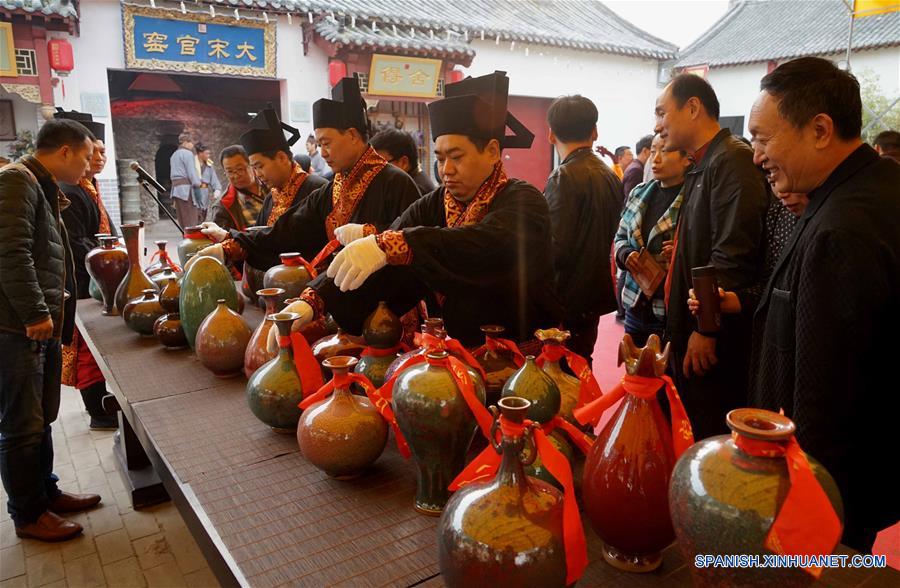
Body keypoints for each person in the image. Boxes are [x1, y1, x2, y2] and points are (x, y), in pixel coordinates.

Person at [283, 71, 560, 348]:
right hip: (454, 356)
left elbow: (481, 246)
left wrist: (392, 244)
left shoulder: (525, 200)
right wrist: (313, 300)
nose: (446, 170)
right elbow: (388, 247)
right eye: (440, 158)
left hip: (525, 360)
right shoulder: (436, 202)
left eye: (457, 157)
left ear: (491, 151)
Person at [746, 57, 900, 552]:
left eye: (764, 139)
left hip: (825, 489)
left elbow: (825, 393)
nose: (756, 157)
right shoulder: (875, 188)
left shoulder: (842, 227)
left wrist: (801, 503)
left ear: (819, 129)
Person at [195, 78, 419, 275]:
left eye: (326, 143)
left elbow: (414, 239)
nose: (322, 152)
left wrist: (370, 233)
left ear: (351, 135)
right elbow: (286, 230)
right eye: (319, 144)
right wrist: (230, 244)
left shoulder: (396, 181)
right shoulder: (333, 188)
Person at [0, 118, 102, 542]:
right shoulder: (16, 182)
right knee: (22, 422)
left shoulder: (40, 185)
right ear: (64, 151)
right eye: (84, 156)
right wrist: (35, 313)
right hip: (14, 327)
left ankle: (47, 492)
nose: (87, 166)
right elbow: (10, 253)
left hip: (33, 323)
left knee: (40, 417)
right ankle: (28, 515)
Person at [654, 73, 769, 440]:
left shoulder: (731, 159)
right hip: (689, 322)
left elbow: (733, 252)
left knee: (707, 433)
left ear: (692, 108)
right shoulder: (704, 162)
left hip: (712, 332)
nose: (657, 125)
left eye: (661, 112)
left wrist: (707, 328)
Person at [544, 95, 622, 362]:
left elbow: (554, 247)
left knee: (561, 373)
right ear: (594, 132)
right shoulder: (610, 175)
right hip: (593, 294)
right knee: (581, 365)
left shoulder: (562, 177)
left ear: (551, 135)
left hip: (564, 300)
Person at [55, 109, 118, 431]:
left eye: (103, 152)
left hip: (95, 278)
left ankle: (99, 403)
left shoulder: (88, 187)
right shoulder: (70, 191)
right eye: (93, 153)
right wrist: (111, 255)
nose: (99, 158)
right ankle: (97, 411)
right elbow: (76, 242)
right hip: (80, 282)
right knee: (85, 349)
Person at [615, 134, 690, 346]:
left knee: (665, 377)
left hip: (668, 311)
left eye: (664, 151)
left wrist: (679, 252)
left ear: (687, 158)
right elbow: (620, 235)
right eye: (653, 151)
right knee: (634, 375)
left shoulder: (694, 199)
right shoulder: (639, 192)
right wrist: (625, 254)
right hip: (635, 304)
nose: (655, 159)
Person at [206, 145, 267, 232]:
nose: (236, 176)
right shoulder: (222, 208)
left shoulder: (271, 183)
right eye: (230, 171)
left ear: (252, 165)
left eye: (240, 169)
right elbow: (224, 240)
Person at [370, 128, 437, 195]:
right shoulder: (409, 182)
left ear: (403, 163)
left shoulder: (413, 191)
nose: (374, 172)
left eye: (380, 165)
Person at [169, 133, 204, 228]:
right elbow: (191, 172)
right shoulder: (188, 154)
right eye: (191, 143)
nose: (192, 145)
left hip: (177, 190)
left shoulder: (174, 155)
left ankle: (186, 237)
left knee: (182, 218)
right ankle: (191, 239)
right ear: (185, 142)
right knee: (190, 217)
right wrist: (198, 183)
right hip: (186, 191)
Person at [193, 143, 221, 218]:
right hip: (193, 194)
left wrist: (216, 193)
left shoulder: (209, 166)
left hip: (204, 194)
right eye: (207, 153)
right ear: (200, 153)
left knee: (202, 217)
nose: (208, 155)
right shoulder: (191, 164)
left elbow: (215, 181)